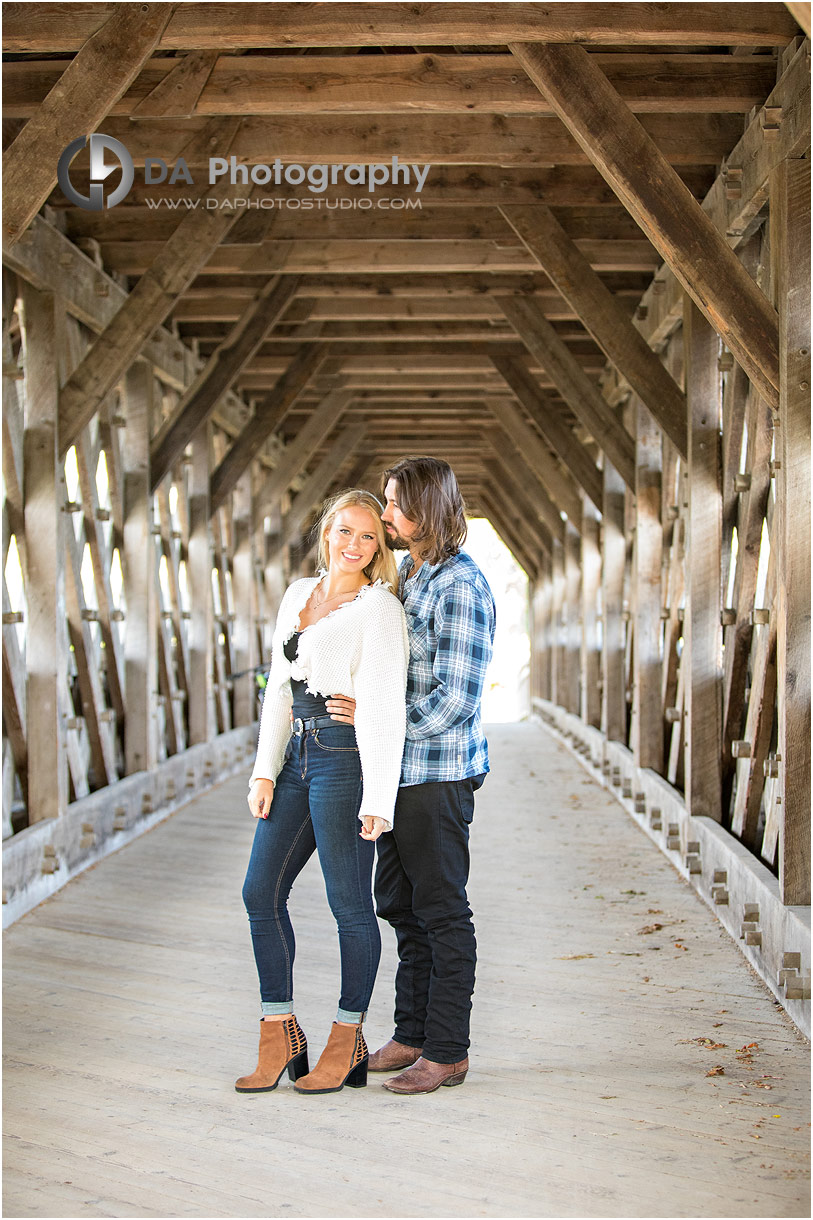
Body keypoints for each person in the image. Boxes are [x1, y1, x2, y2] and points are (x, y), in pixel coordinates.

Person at [327, 456, 496, 1095]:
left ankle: (448, 1050)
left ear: (428, 508)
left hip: (437, 775)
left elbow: (455, 703)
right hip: (397, 773)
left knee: (443, 910)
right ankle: (412, 1032)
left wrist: (374, 722)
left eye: (396, 505)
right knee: (400, 906)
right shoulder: (416, 575)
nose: (387, 515)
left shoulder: (461, 586)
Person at [237, 489, 409, 1097]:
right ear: (326, 531)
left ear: (379, 547)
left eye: (369, 537)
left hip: (344, 761)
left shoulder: (379, 608)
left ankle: (348, 1034)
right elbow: (278, 690)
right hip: (296, 763)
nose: (354, 545)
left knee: (348, 906)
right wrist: (264, 770)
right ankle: (279, 1028)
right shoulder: (296, 597)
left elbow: (387, 706)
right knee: (260, 891)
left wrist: (379, 800)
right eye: (345, 531)